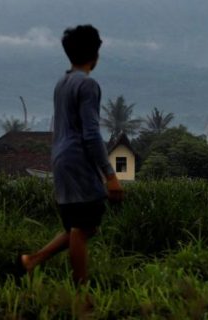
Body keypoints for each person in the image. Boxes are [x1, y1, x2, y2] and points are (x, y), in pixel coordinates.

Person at [20, 24, 123, 284]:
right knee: (82, 228)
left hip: (60, 159)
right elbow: (91, 133)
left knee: (81, 226)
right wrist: (110, 175)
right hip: (78, 160)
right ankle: (81, 292)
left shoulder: (62, 83)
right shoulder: (87, 85)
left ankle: (32, 261)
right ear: (95, 54)